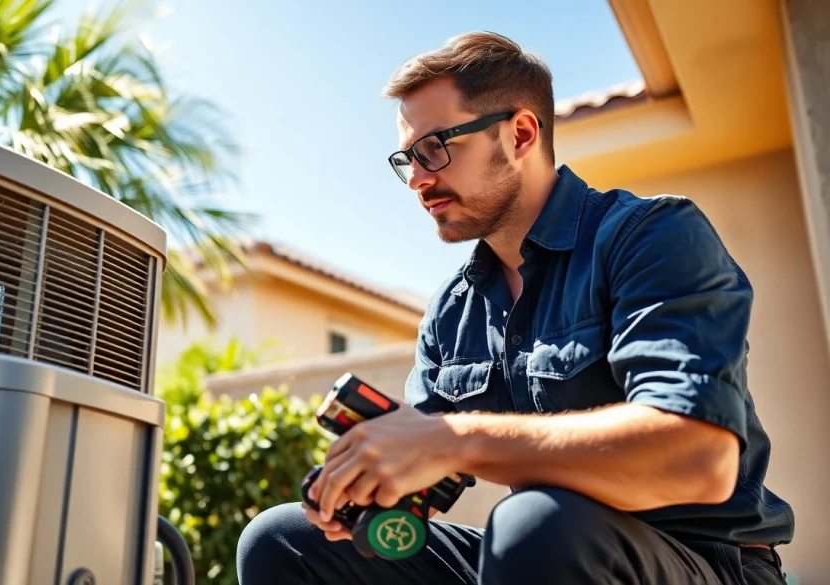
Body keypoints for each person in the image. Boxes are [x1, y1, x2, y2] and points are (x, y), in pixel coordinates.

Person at [235, 31, 794, 584]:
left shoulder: (651, 236)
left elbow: (698, 458)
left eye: (435, 149)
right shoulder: (452, 311)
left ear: (521, 133)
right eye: (408, 159)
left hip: (706, 561)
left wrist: (451, 438)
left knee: (536, 524)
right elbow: (426, 476)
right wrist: (371, 485)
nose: (418, 180)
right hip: (537, 555)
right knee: (282, 538)